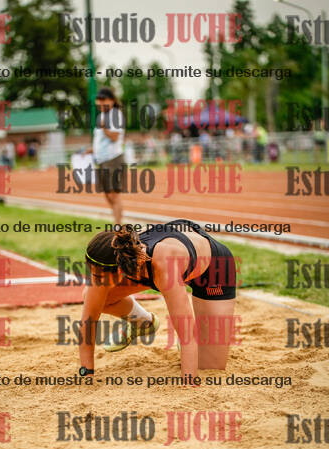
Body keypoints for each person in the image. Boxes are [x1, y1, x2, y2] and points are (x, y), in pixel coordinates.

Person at [79, 219, 237, 380]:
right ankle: (141, 322)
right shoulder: (111, 256)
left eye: (100, 277)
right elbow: (89, 319)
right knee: (93, 297)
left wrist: (189, 382)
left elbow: (187, 333)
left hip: (213, 268)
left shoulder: (164, 264)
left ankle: (195, 341)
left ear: (120, 271)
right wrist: (86, 372)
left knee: (209, 365)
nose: (96, 280)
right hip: (161, 254)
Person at [84, 88, 125, 224]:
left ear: (112, 100)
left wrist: (104, 128)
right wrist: (92, 149)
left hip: (113, 159)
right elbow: (101, 141)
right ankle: (117, 223)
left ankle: (118, 226)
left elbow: (115, 137)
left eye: (103, 100)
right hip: (101, 160)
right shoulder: (101, 116)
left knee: (114, 195)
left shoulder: (115, 115)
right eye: (99, 101)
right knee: (107, 195)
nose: (100, 104)